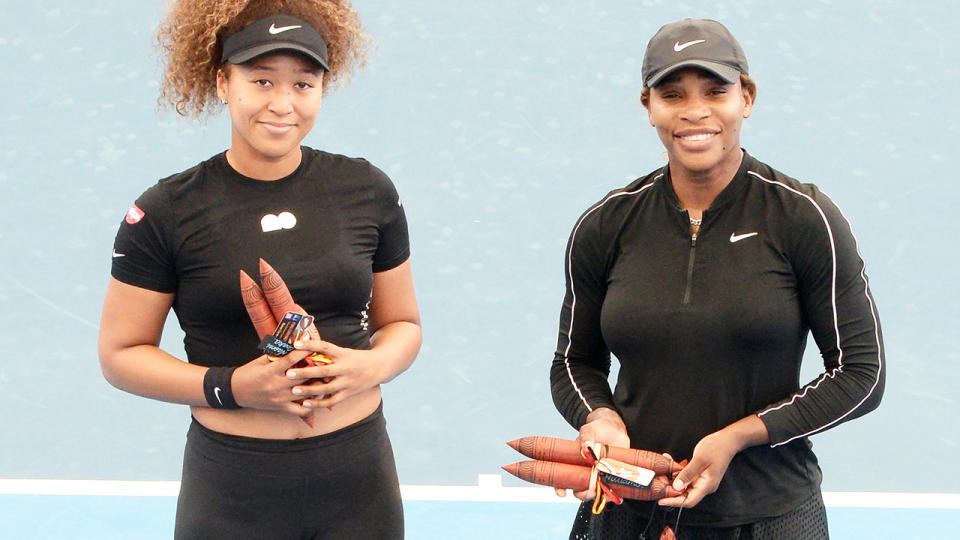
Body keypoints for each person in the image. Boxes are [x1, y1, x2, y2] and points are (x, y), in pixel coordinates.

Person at [549, 18, 884, 539]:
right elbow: (574, 362)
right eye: (672, 93)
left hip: (772, 515)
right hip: (626, 511)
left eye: (715, 90)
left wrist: (738, 436)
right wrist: (599, 417)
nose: (694, 110)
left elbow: (862, 375)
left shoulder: (804, 217)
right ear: (649, 107)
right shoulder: (606, 225)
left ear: (745, 98)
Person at [97, 2, 420, 539]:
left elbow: (404, 325)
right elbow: (120, 355)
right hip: (232, 488)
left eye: (303, 84)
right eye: (262, 80)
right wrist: (233, 387)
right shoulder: (166, 210)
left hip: (358, 480)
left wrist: (368, 367)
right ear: (223, 82)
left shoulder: (367, 190)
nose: (282, 103)